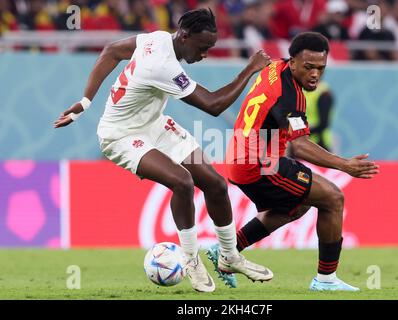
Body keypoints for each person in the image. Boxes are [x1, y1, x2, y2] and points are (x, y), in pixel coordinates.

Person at [53, 8, 273, 293]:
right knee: (182, 182)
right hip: (120, 135)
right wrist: (250, 69)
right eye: (202, 47)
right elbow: (214, 105)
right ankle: (192, 260)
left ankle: (229, 256)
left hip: (154, 125)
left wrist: (85, 101)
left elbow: (111, 51)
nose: (205, 54)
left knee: (216, 184)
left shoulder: (155, 38)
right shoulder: (162, 65)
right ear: (184, 36)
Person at [206, 32, 379, 291]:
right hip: (260, 164)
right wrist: (345, 165)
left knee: (298, 207)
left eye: (321, 68)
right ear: (294, 61)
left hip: (241, 159)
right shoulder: (289, 96)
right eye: (308, 67)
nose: (315, 75)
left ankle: (227, 249)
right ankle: (325, 281)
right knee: (333, 198)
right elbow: (298, 146)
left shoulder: (275, 67)